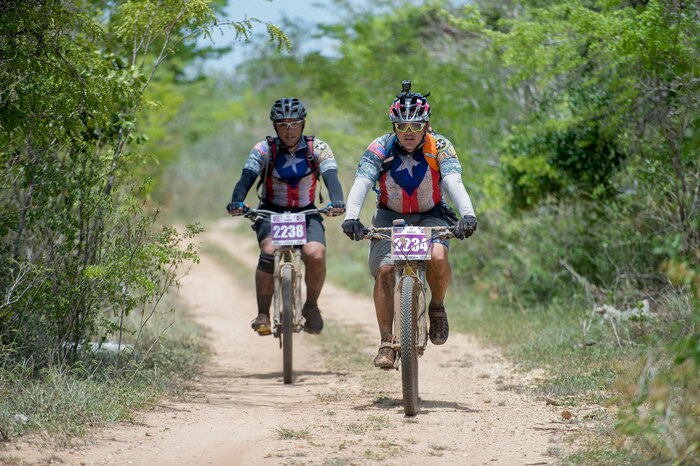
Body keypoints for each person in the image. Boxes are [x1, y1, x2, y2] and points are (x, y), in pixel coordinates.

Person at [341, 81, 477, 369]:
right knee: (386, 270)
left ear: (427, 125)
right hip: (391, 215)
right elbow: (362, 182)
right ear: (393, 127)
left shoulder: (439, 145)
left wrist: (467, 214)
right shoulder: (379, 147)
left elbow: (453, 181)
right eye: (402, 127)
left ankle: (437, 306)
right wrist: (351, 217)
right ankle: (386, 342)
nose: (409, 133)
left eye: (415, 126)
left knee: (439, 257)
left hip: (431, 213)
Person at [227, 97, 345, 336]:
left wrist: (338, 201)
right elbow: (246, 178)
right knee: (269, 252)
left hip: (307, 212)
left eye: (294, 123)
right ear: (274, 126)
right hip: (271, 211)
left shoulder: (317, 149)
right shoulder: (263, 150)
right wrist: (237, 201)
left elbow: (332, 177)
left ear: (303, 124)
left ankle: (311, 306)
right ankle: (263, 313)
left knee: (315, 253)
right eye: (282, 124)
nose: (288, 130)